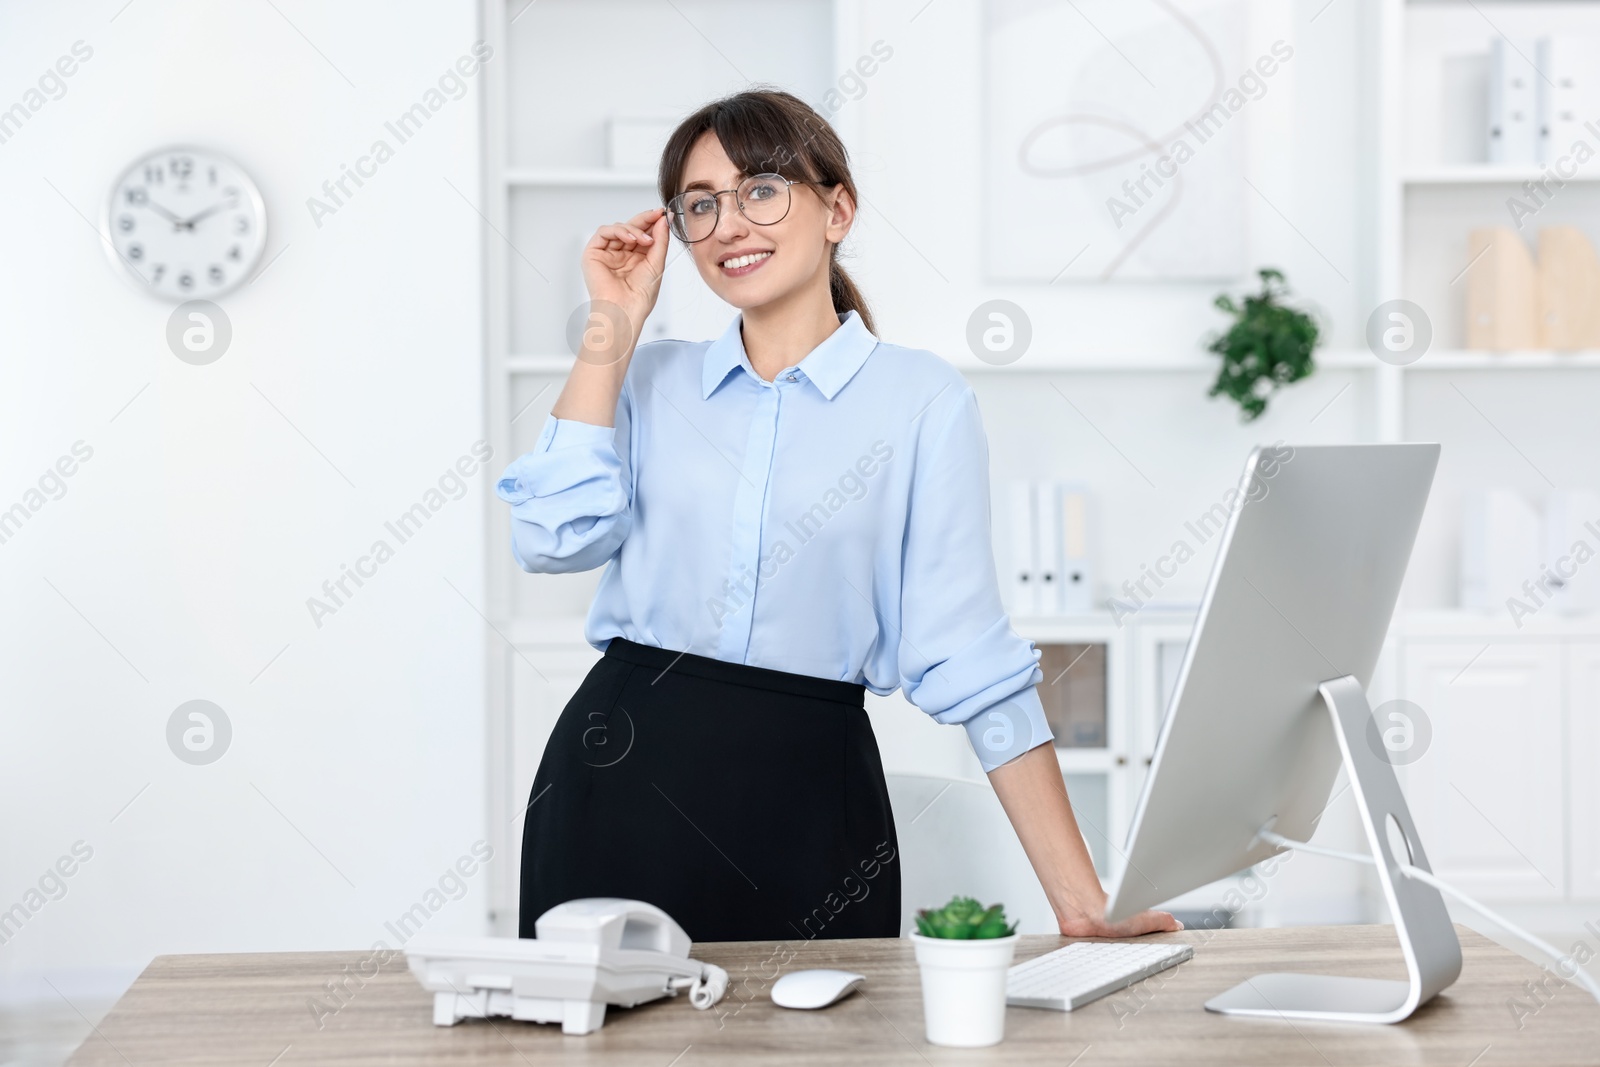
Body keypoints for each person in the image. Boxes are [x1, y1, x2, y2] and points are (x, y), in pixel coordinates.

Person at [495, 88, 1181, 944]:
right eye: (701, 204)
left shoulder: (920, 399)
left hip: (810, 804)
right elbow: (551, 538)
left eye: (760, 190)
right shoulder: (647, 378)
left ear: (837, 209)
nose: (730, 223)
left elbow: (968, 655)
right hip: (617, 782)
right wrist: (611, 325)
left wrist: (1081, 898)